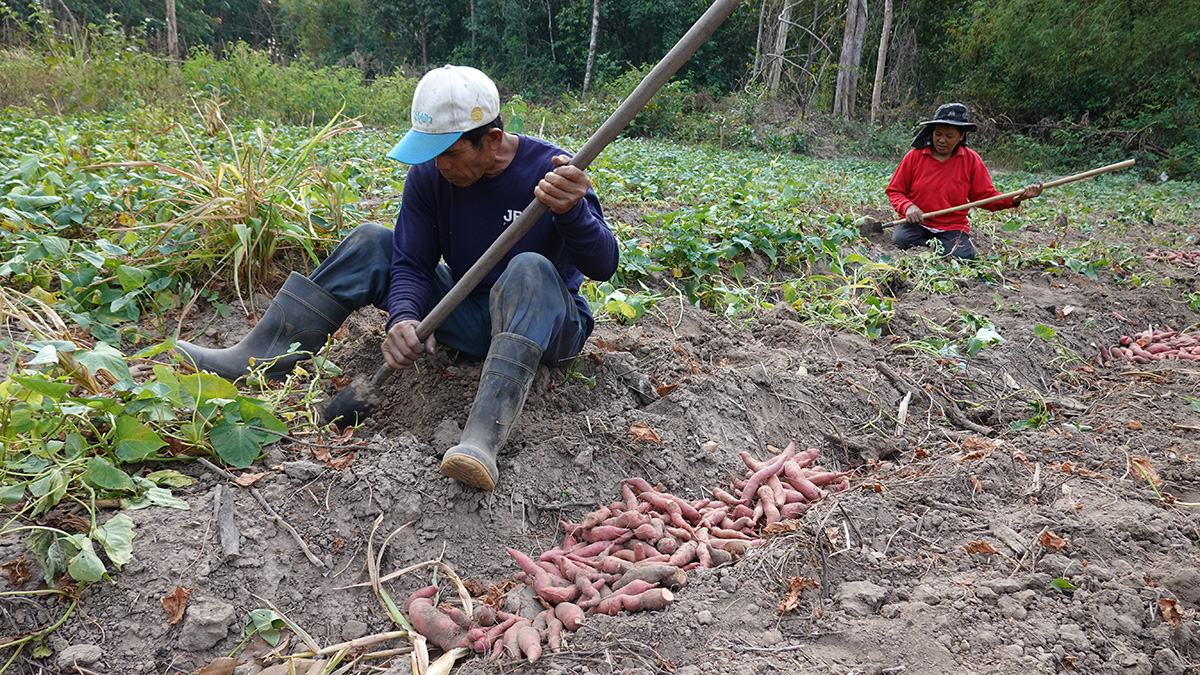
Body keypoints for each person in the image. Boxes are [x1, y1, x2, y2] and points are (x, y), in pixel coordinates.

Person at [176, 65, 618, 492]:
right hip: (468, 311)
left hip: (546, 328)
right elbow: (410, 260)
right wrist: (403, 318)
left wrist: (572, 211)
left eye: (450, 152)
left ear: (492, 140)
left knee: (529, 266)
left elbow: (604, 265)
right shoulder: (430, 174)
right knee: (372, 241)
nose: (439, 165)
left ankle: (482, 437)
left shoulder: (556, 172)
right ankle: (260, 358)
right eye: (431, 152)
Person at [885, 102, 1043, 260]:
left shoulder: (971, 160)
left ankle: (950, 247)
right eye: (938, 134)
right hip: (917, 224)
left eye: (949, 136)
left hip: (951, 227)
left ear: (961, 136)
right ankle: (933, 251)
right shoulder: (915, 156)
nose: (941, 140)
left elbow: (985, 197)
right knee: (902, 241)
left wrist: (1018, 198)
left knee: (963, 256)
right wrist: (908, 207)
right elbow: (895, 191)